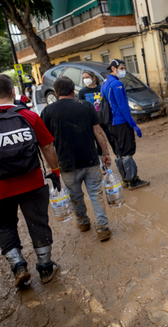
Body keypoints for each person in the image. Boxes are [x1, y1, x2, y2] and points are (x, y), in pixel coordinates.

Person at [0, 74, 61, 288]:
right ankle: (45, 267)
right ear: (13, 92)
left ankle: (19, 266)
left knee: (4, 225)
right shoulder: (29, 115)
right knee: (38, 222)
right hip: (33, 182)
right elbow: (48, 147)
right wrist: (55, 171)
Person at [41, 76, 113, 241]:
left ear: (56, 92)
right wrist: (105, 153)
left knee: (75, 196)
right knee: (96, 194)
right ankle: (102, 228)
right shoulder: (86, 106)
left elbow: (47, 144)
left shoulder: (47, 112)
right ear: (73, 90)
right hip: (90, 160)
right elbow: (99, 132)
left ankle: (83, 223)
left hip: (66, 164)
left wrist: (52, 166)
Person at [101, 59, 149, 190]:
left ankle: (125, 179)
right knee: (128, 152)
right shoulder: (117, 84)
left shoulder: (104, 83)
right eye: (121, 68)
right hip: (121, 123)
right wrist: (133, 125)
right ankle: (133, 180)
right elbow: (123, 107)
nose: (123, 70)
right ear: (113, 68)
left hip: (111, 124)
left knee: (119, 153)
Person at [79, 70, 117, 166]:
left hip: (105, 119)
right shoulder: (82, 92)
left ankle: (119, 158)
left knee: (112, 139)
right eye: (83, 78)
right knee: (99, 142)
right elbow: (82, 108)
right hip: (93, 122)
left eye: (87, 77)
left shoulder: (101, 88)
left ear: (93, 78)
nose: (85, 79)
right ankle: (103, 163)